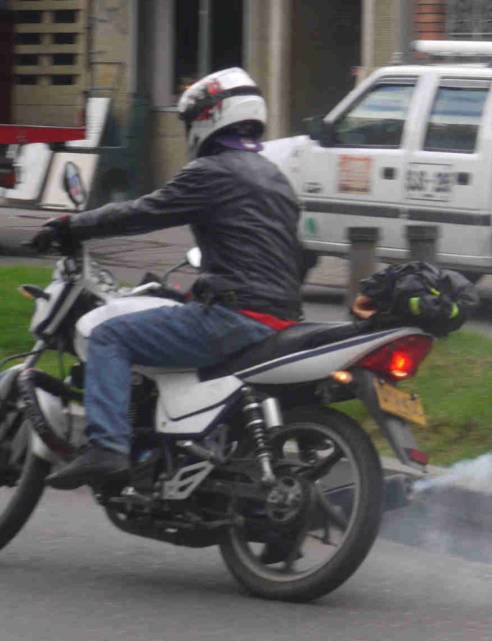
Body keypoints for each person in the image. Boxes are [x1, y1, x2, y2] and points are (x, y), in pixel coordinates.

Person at [32, 67, 305, 489]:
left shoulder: (212, 171)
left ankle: (108, 447)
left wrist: (71, 226)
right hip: (280, 317)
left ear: (209, 117)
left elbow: (141, 212)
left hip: (235, 317)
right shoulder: (275, 178)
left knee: (110, 337)